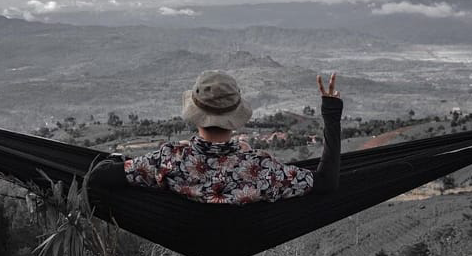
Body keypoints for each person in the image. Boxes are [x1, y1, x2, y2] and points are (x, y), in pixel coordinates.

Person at [89, 70, 343, 204]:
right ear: (235, 116)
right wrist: (331, 114)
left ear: (196, 113)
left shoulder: (169, 161)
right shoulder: (262, 168)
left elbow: (99, 176)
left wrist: (117, 158)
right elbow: (326, 182)